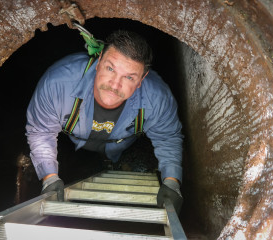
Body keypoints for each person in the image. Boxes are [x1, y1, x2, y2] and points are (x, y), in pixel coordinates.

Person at [26, 30, 184, 213]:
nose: (115, 85)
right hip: (76, 144)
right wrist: (50, 177)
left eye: (129, 77)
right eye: (110, 68)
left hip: (122, 146)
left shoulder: (157, 97)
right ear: (98, 61)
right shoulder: (58, 83)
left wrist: (172, 182)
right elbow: (41, 130)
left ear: (141, 80)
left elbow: (167, 137)